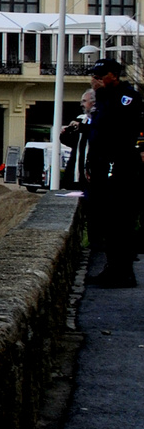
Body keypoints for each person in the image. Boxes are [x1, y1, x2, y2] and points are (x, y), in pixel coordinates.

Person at [83, 60, 141, 287]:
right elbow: (98, 130)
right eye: (94, 76)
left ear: (114, 75)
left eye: (100, 75)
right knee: (108, 222)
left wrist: (102, 97)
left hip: (120, 166)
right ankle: (113, 267)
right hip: (102, 164)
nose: (95, 80)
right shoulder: (106, 98)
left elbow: (115, 128)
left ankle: (123, 272)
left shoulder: (126, 97)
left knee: (120, 222)